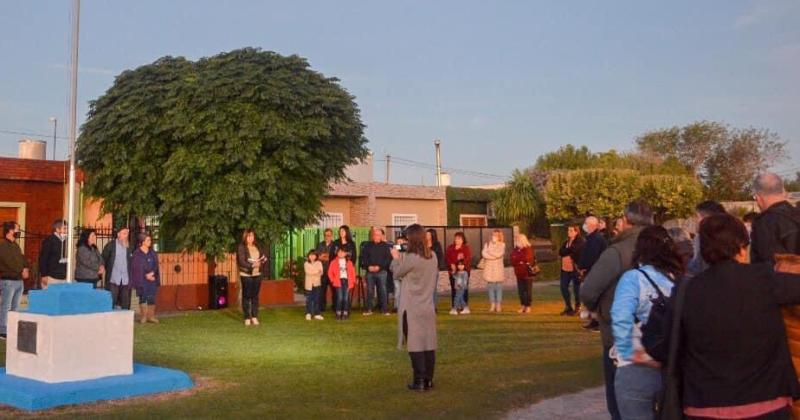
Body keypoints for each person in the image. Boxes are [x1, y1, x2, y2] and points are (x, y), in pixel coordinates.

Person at [679, 213, 800, 419]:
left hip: (704, 403)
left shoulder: (687, 290)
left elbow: (668, 345)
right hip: (765, 400)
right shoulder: (763, 279)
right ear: (742, 247)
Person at [580, 200, 653, 420]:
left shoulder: (617, 251)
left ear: (627, 221)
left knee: (620, 400)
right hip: (657, 332)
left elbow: (589, 289)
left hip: (619, 334)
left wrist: (596, 308)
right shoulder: (661, 246)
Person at [610, 225, 683, 419]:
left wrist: (637, 355)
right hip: (671, 369)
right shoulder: (679, 281)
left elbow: (619, 319)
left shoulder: (633, 279)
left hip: (637, 368)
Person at [390, 224, 439, 392]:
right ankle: (428, 380)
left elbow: (397, 273)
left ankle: (419, 380)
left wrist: (396, 258)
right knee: (428, 344)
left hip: (411, 308)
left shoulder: (411, 258)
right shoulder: (433, 256)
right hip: (427, 306)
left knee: (415, 344)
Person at [751, 172, 800, 264]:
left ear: (757, 197)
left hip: (784, 277)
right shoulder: (797, 214)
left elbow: (765, 266)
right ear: (784, 192)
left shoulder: (764, 223)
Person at [0, 222, 29, 340]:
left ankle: (11, 328)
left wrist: (26, 267)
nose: (19, 231)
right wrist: (21, 270)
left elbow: (21, 258)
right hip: (8, 280)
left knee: (15, 307)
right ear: (10, 231)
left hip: (18, 280)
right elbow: (8, 262)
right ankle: (3, 330)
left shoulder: (15, 245)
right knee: (6, 306)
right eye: (17, 229)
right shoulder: (2, 245)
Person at [687, 200, 726, 276]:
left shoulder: (701, 238)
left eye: (697, 217)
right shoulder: (731, 234)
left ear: (706, 218)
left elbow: (696, 266)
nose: (695, 221)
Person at [237, 229, 267, 326]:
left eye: (252, 236)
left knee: (255, 296)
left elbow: (263, 257)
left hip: (257, 274)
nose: (251, 238)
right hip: (246, 275)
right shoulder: (242, 247)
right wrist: (252, 265)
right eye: (249, 236)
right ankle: (247, 317)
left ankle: (254, 316)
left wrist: (262, 261)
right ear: (245, 237)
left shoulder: (257, 246)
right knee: (246, 296)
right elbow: (241, 261)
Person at [360, 227, 393, 315]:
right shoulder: (367, 245)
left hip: (382, 272)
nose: (376, 236)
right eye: (374, 235)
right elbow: (363, 257)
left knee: (383, 290)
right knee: (370, 291)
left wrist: (379, 267)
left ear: (381, 236)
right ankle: (369, 309)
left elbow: (388, 259)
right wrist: (368, 267)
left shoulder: (385, 246)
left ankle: (384, 310)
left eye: (378, 235)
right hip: (370, 272)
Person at [131, 232, 161, 324]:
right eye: (148, 240)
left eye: (150, 240)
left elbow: (156, 265)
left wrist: (152, 274)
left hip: (152, 278)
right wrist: (145, 275)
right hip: (142, 279)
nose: (150, 241)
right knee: (143, 297)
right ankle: (143, 317)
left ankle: (151, 316)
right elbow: (136, 268)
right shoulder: (137, 253)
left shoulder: (152, 252)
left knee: (152, 297)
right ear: (142, 241)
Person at [102, 226, 134, 310]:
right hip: (113, 279)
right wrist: (102, 268)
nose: (126, 236)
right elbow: (103, 258)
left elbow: (132, 262)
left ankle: (126, 320)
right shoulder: (111, 245)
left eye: (127, 234)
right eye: (124, 233)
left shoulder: (130, 247)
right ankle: (110, 319)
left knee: (125, 302)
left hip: (125, 279)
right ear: (118, 234)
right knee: (111, 301)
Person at [558, 223, 584, 316]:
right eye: (568, 230)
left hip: (575, 268)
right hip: (565, 268)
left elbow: (574, 250)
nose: (569, 232)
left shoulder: (580, 241)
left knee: (576, 288)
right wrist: (567, 251)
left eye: (571, 230)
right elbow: (561, 252)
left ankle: (578, 306)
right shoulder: (566, 242)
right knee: (563, 286)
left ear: (576, 232)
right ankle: (568, 306)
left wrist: (567, 251)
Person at [445, 232, 472, 315]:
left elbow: (467, 260)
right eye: (456, 238)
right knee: (454, 290)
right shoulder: (450, 248)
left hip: (462, 273)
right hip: (453, 273)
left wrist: (460, 266)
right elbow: (447, 258)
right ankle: (455, 306)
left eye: (459, 238)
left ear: (463, 239)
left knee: (462, 290)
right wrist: (451, 265)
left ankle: (463, 307)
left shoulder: (465, 249)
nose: (457, 240)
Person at [39, 219, 68, 288]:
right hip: (51, 277)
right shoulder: (49, 240)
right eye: (64, 228)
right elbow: (43, 258)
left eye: (67, 228)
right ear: (57, 229)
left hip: (63, 277)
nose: (66, 231)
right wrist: (44, 275)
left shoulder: (65, 241)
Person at [511, 233, 536, 314]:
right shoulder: (516, 249)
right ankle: (522, 305)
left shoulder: (528, 249)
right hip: (519, 273)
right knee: (521, 291)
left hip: (527, 274)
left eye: (517, 239)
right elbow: (512, 258)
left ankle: (528, 306)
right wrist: (519, 261)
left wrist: (519, 260)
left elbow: (527, 259)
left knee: (528, 291)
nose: (516, 241)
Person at [482, 229, 506, 312]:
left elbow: (499, 254)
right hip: (489, 269)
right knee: (490, 287)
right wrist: (492, 255)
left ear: (499, 236)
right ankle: (492, 304)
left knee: (498, 287)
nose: (494, 237)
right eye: (493, 235)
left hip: (498, 269)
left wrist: (490, 252)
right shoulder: (487, 244)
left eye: (496, 235)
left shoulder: (502, 245)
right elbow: (484, 254)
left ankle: (498, 304)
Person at [328, 247, 355, 320]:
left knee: (345, 298)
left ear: (346, 253)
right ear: (337, 253)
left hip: (347, 281)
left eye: (343, 252)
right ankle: (338, 313)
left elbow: (352, 273)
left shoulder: (349, 262)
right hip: (338, 281)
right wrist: (333, 280)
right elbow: (330, 272)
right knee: (340, 297)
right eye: (339, 252)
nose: (341, 253)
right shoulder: (333, 262)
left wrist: (353, 281)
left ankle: (345, 313)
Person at [315, 228, 337, 312]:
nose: (327, 237)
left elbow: (333, 257)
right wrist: (325, 256)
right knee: (322, 291)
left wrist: (324, 256)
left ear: (332, 236)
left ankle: (335, 306)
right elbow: (317, 256)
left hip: (332, 272)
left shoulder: (335, 245)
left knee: (334, 290)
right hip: (322, 271)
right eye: (325, 235)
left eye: (329, 235)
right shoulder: (320, 245)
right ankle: (322, 307)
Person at [426, 229, 445, 310]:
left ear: (432, 236)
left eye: (428, 234)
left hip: (433, 269)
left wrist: (438, 266)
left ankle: (434, 306)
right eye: (426, 234)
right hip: (424, 270)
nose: (426, 236)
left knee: (433, 288)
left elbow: (440, 256)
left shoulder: (437, 245)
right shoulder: (423, 244)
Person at [304, 250, 324, 321]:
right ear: (308, 256)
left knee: (317, 299)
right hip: (309, 284)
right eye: (310, 255)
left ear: (316, 256)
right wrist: (316, 272)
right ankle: (308, 313)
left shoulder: (319, 263)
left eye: (313, 255)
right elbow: (308, 272)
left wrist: (314, 272)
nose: (312, 256)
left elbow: (321, 272)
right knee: (308, 299)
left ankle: (317, 314)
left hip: (317, 284)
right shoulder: (306, 263)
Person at [393, 236, 408, 311]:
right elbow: (392, 264)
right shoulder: (394, 251)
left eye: (400, 242)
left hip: (405, 275)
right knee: (397, 291)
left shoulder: (408, 251)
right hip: (396, 275)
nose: (399, 244)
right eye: (397, 242)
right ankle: (396, 307)